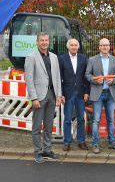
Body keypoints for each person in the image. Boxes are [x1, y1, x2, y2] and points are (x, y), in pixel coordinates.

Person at [25, 32, 63, 163]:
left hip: (52, 95)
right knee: (37, 127)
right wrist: (33, 98)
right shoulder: (31, 57)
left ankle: (47, 150)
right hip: (39, 97)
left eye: (46, 40)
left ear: (49, 42)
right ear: (37, 42)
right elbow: (29, 79)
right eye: (41, 40)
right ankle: (37, 152)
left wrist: (59, 95)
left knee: (48, 125)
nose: (44, 42)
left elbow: (57, 77)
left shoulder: (53, 57)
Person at [85, 38, 115, 154]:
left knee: (111, 120)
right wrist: (96, 81)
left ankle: (112, 143)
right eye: (102, 45)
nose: (105, 47)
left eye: (107, 45)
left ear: (110, 46)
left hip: (110, 93)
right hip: (98, 93)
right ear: (99, 47)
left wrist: (114, 80)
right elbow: (87, 75)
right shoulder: (92, 60)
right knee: (96, 120)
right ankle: (95, 144)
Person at [58, 38, 90, 151]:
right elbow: (59, 78)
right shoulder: (62, 59)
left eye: (76, 45)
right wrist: (61, 93)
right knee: (67, 119)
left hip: (81, 93)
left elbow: (86, 77)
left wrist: (87, 92)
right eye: (71, 45)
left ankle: (81, 141)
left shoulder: (83, 58)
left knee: (81, 118)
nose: (74, 47)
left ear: (78, 47)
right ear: (68, 46)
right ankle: (67, 142)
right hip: (68, 93)